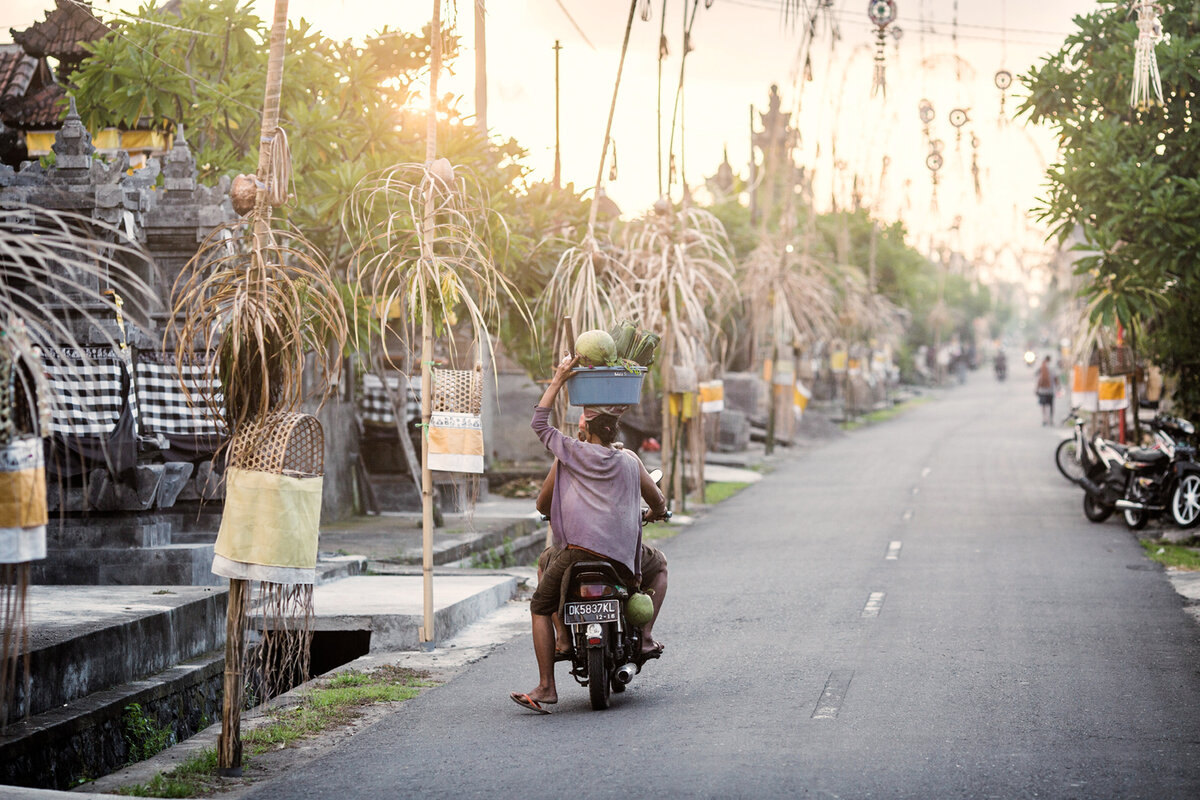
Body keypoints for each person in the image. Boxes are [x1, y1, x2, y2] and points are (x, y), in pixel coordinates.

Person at [510, 355, 668, 715]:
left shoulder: (570, 453)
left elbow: (539, 422)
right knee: (658, 566)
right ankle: (643, 638)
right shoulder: (630, 461)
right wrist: (655, 513)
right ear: (616, 433)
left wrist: (561, 377)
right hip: (623, 561)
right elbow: (657, 501)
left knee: (539, 606)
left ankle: (548, 685)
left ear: (585, 432)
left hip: (576, 553)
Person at [1036, 355, 1057, 425]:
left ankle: (1044, 419)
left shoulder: (1042, 367)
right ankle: (1051, 419)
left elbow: (1038, 379)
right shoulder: (1053, 368)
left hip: (1042, 390)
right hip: (1050, 390)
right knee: (1051, 405)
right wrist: (1058, 387)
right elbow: (1056, 378)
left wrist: (1037, 389)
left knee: (1043, 405)